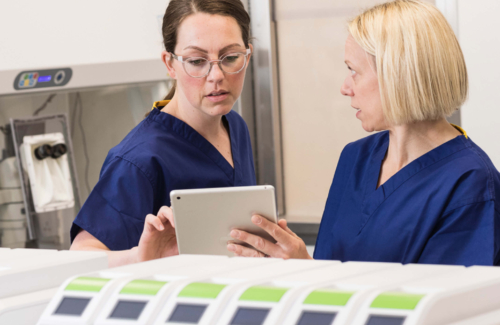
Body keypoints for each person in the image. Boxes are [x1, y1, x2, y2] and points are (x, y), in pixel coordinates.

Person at [228, 0, 500, 266]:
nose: (345, 88)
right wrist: (300, 265)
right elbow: (330, 276)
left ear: (397, 75)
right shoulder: (356, 157)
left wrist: (308, 272)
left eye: (354, 71)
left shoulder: (471, 183)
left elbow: (442, 306)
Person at [70, 0, 255, 267]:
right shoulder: (140, 160)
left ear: (247, 55)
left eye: (230, 57)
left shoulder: (234, 126)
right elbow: (81, 256)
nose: (216, 75)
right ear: (170, 64)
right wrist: (143, 256)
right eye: (196, 61)